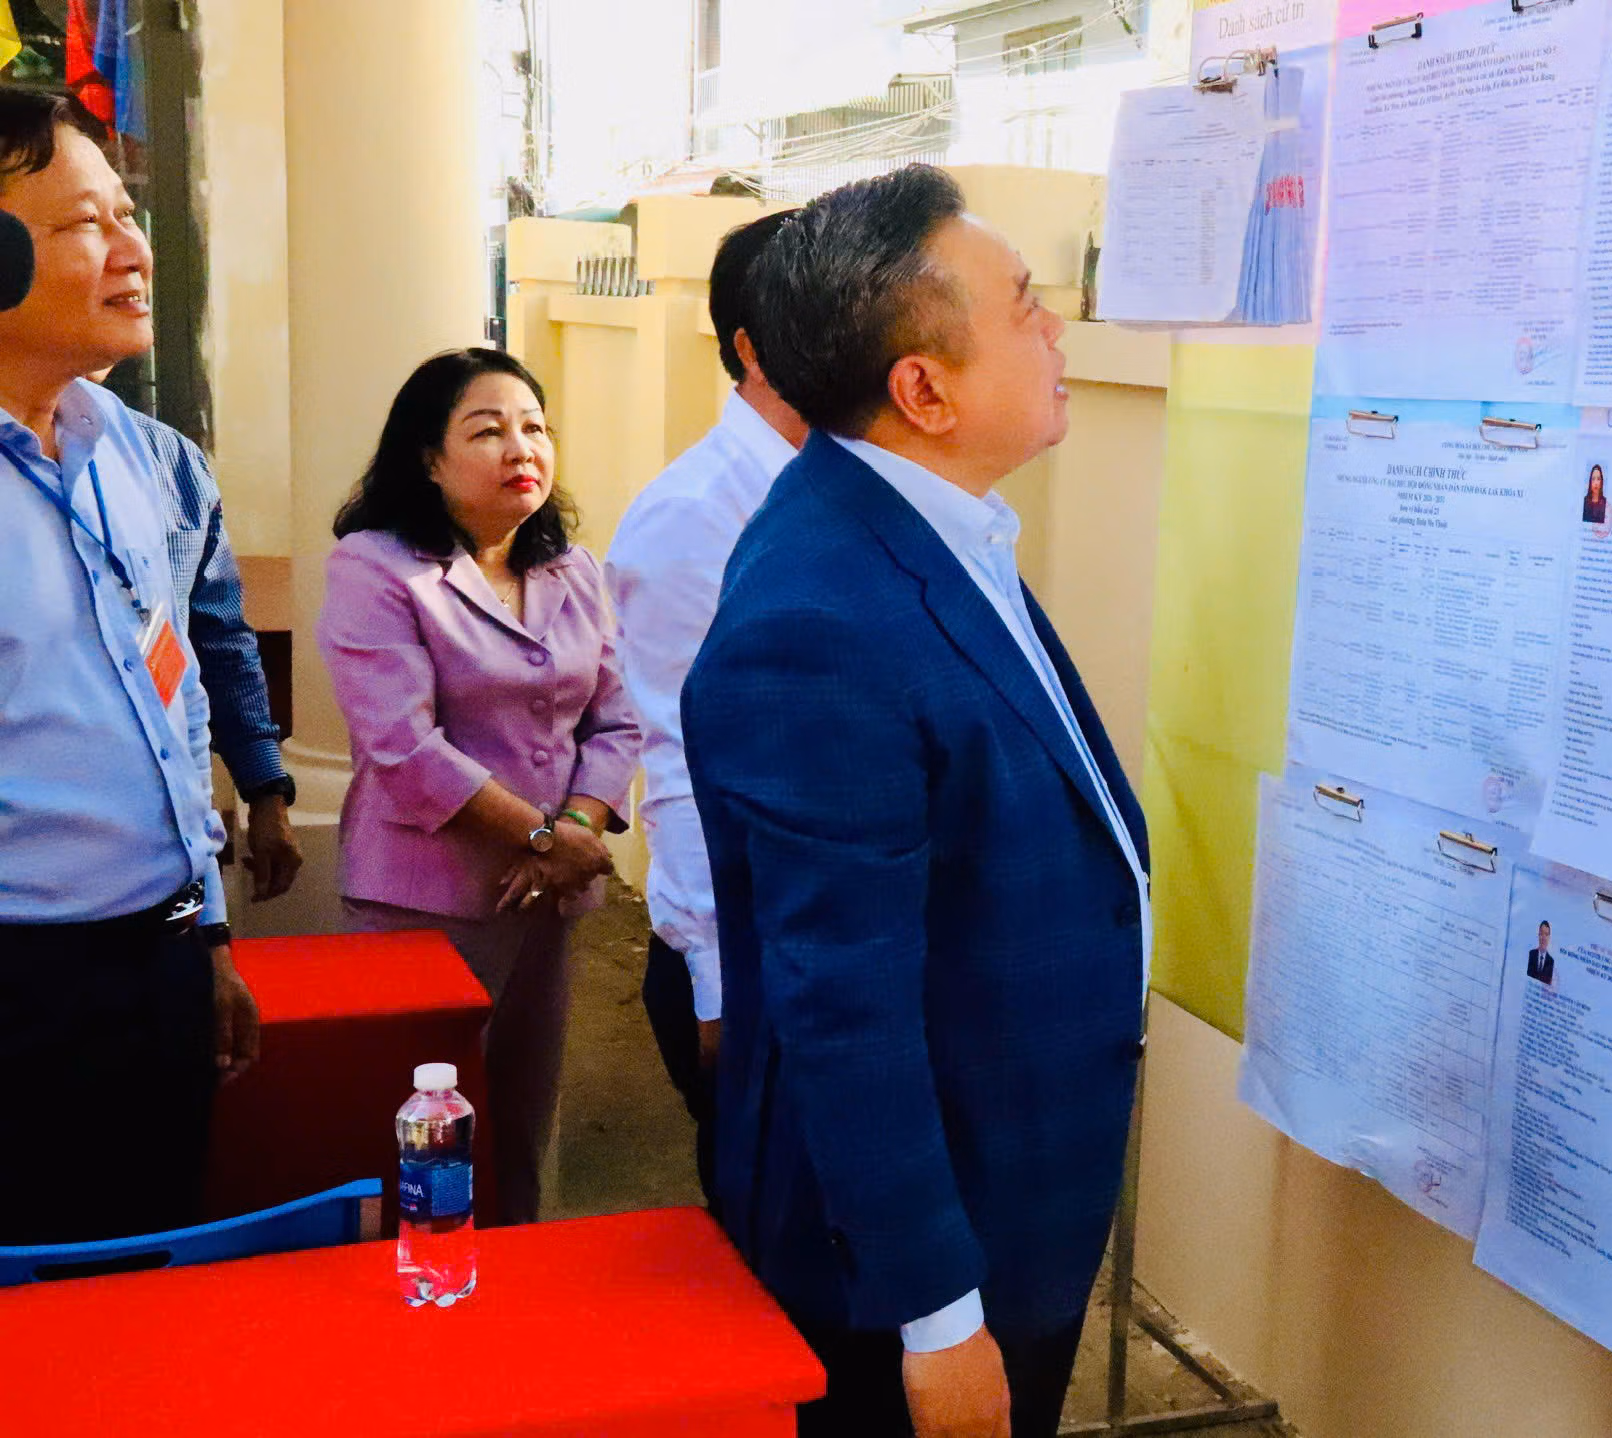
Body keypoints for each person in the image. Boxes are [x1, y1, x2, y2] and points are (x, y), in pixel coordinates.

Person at [686, 165, 1151, 1438]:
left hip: (1012, 1193)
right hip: (916, 1271)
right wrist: (938, 1323)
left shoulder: (935, 526)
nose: (1057, 327)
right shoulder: (818, 621)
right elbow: (845, 1008)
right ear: (924, 391)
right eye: (1026, 304)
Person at [0, 89, 258, 1244]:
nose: (134, 250)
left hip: (159, 960)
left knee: (148, 1279)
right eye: (82, 224)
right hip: (21, 989)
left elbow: (171, 706)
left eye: (126, 213)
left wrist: (206, 936)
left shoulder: (134, 460)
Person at [319, 347, 641, 1229]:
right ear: (429, 458)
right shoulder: (377, 568)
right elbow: (402, 745)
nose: (520, 448)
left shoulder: (572, 570)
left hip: (545, 905)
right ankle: (422, 1296)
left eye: (535, 427)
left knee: (520, 1126)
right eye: (488, 430)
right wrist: (543, 838)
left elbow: (616, 720)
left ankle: (515, 1292)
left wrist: (575, 831)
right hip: (425, 905)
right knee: (426, 1147)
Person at [606, 210, 806, 1209]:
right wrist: (720, 988)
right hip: (747, 960)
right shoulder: (696, 515)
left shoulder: (846, 490)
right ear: (754, 347)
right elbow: (684, 762)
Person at [1525, 920, 1556, 985]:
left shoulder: (1551, 961)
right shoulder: (1531, 954)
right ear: (1538, 935)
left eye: (1546, 934)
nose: (1543, 938)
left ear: (1549, 937)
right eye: (1541, 934)